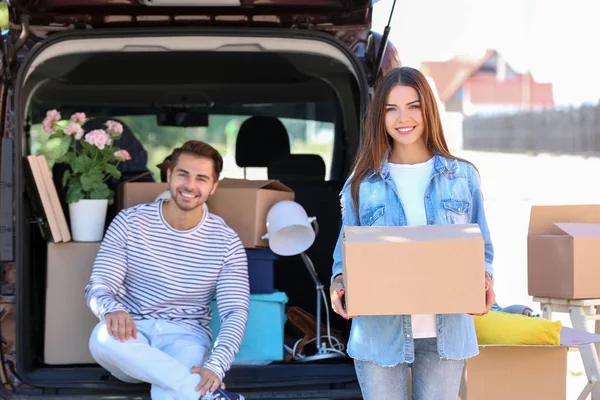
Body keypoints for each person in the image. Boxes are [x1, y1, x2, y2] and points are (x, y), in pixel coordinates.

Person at [329, 67, 495, 400]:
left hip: (445, 333)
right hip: (379, 334)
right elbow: (344, 256)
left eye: (413, 106)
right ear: (380, 117)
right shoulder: (362, 185)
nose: (403, 118)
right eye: (391, 109)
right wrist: (338, 283)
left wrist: (486, 280)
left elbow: (483, 249)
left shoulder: (462, 177)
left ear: (428, 110)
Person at [85, 140, 249, 400]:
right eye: (183, 174)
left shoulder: (227, 241)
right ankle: (209, 397)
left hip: (187, 338)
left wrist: (215, 366)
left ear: (214, 186)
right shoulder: (129, 222)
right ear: (169, 175)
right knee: (101, 336)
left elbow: (234, 312)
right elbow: (100, 285)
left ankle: (196, 391)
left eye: (201, 178)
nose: (190, 186)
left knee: (171, 392)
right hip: (131, 337)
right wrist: (111, 309)